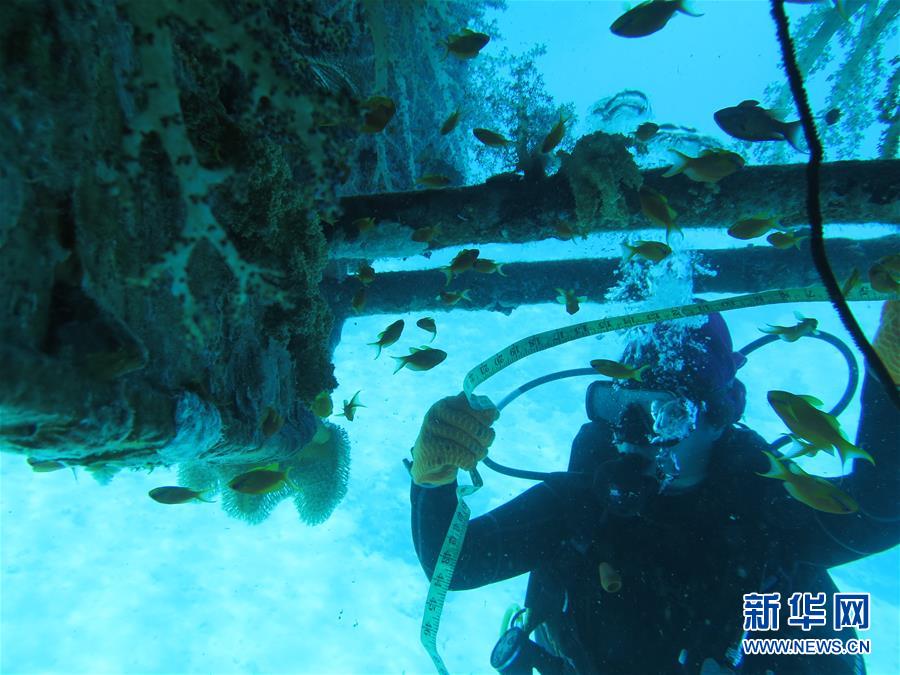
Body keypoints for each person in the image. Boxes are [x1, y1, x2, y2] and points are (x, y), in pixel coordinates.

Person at [409, 304, 899, 675]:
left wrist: (893, 370)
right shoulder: (584, 502)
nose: (634, 438)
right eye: (621, 409)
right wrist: (433, 478)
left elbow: (883, 509)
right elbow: (453, 564)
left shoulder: (764, 504)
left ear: (720, 415)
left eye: (666, 415)